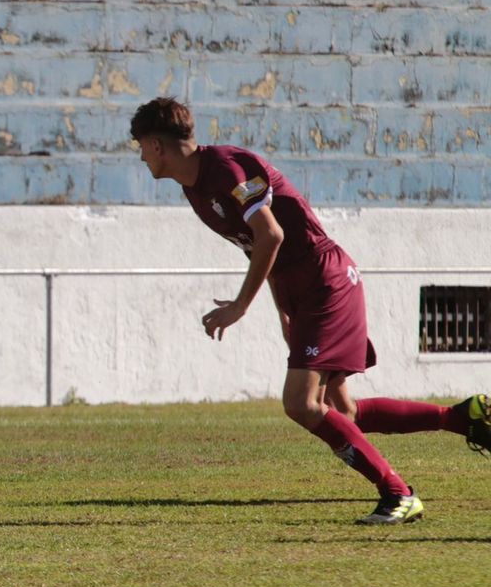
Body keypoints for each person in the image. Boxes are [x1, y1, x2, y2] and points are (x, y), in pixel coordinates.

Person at [130, 96, 491, 524]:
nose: (140, 156)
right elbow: (257, 248)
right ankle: (464, 417)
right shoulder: (195, 189)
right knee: (344, 412)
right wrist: (284, 309)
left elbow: (271, 235)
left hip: (326, 282)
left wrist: (241, 306)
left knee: (301, 403)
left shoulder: (225, 169)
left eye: (140, 146)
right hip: (304, 288)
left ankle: (398, 493)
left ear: (156, 144)